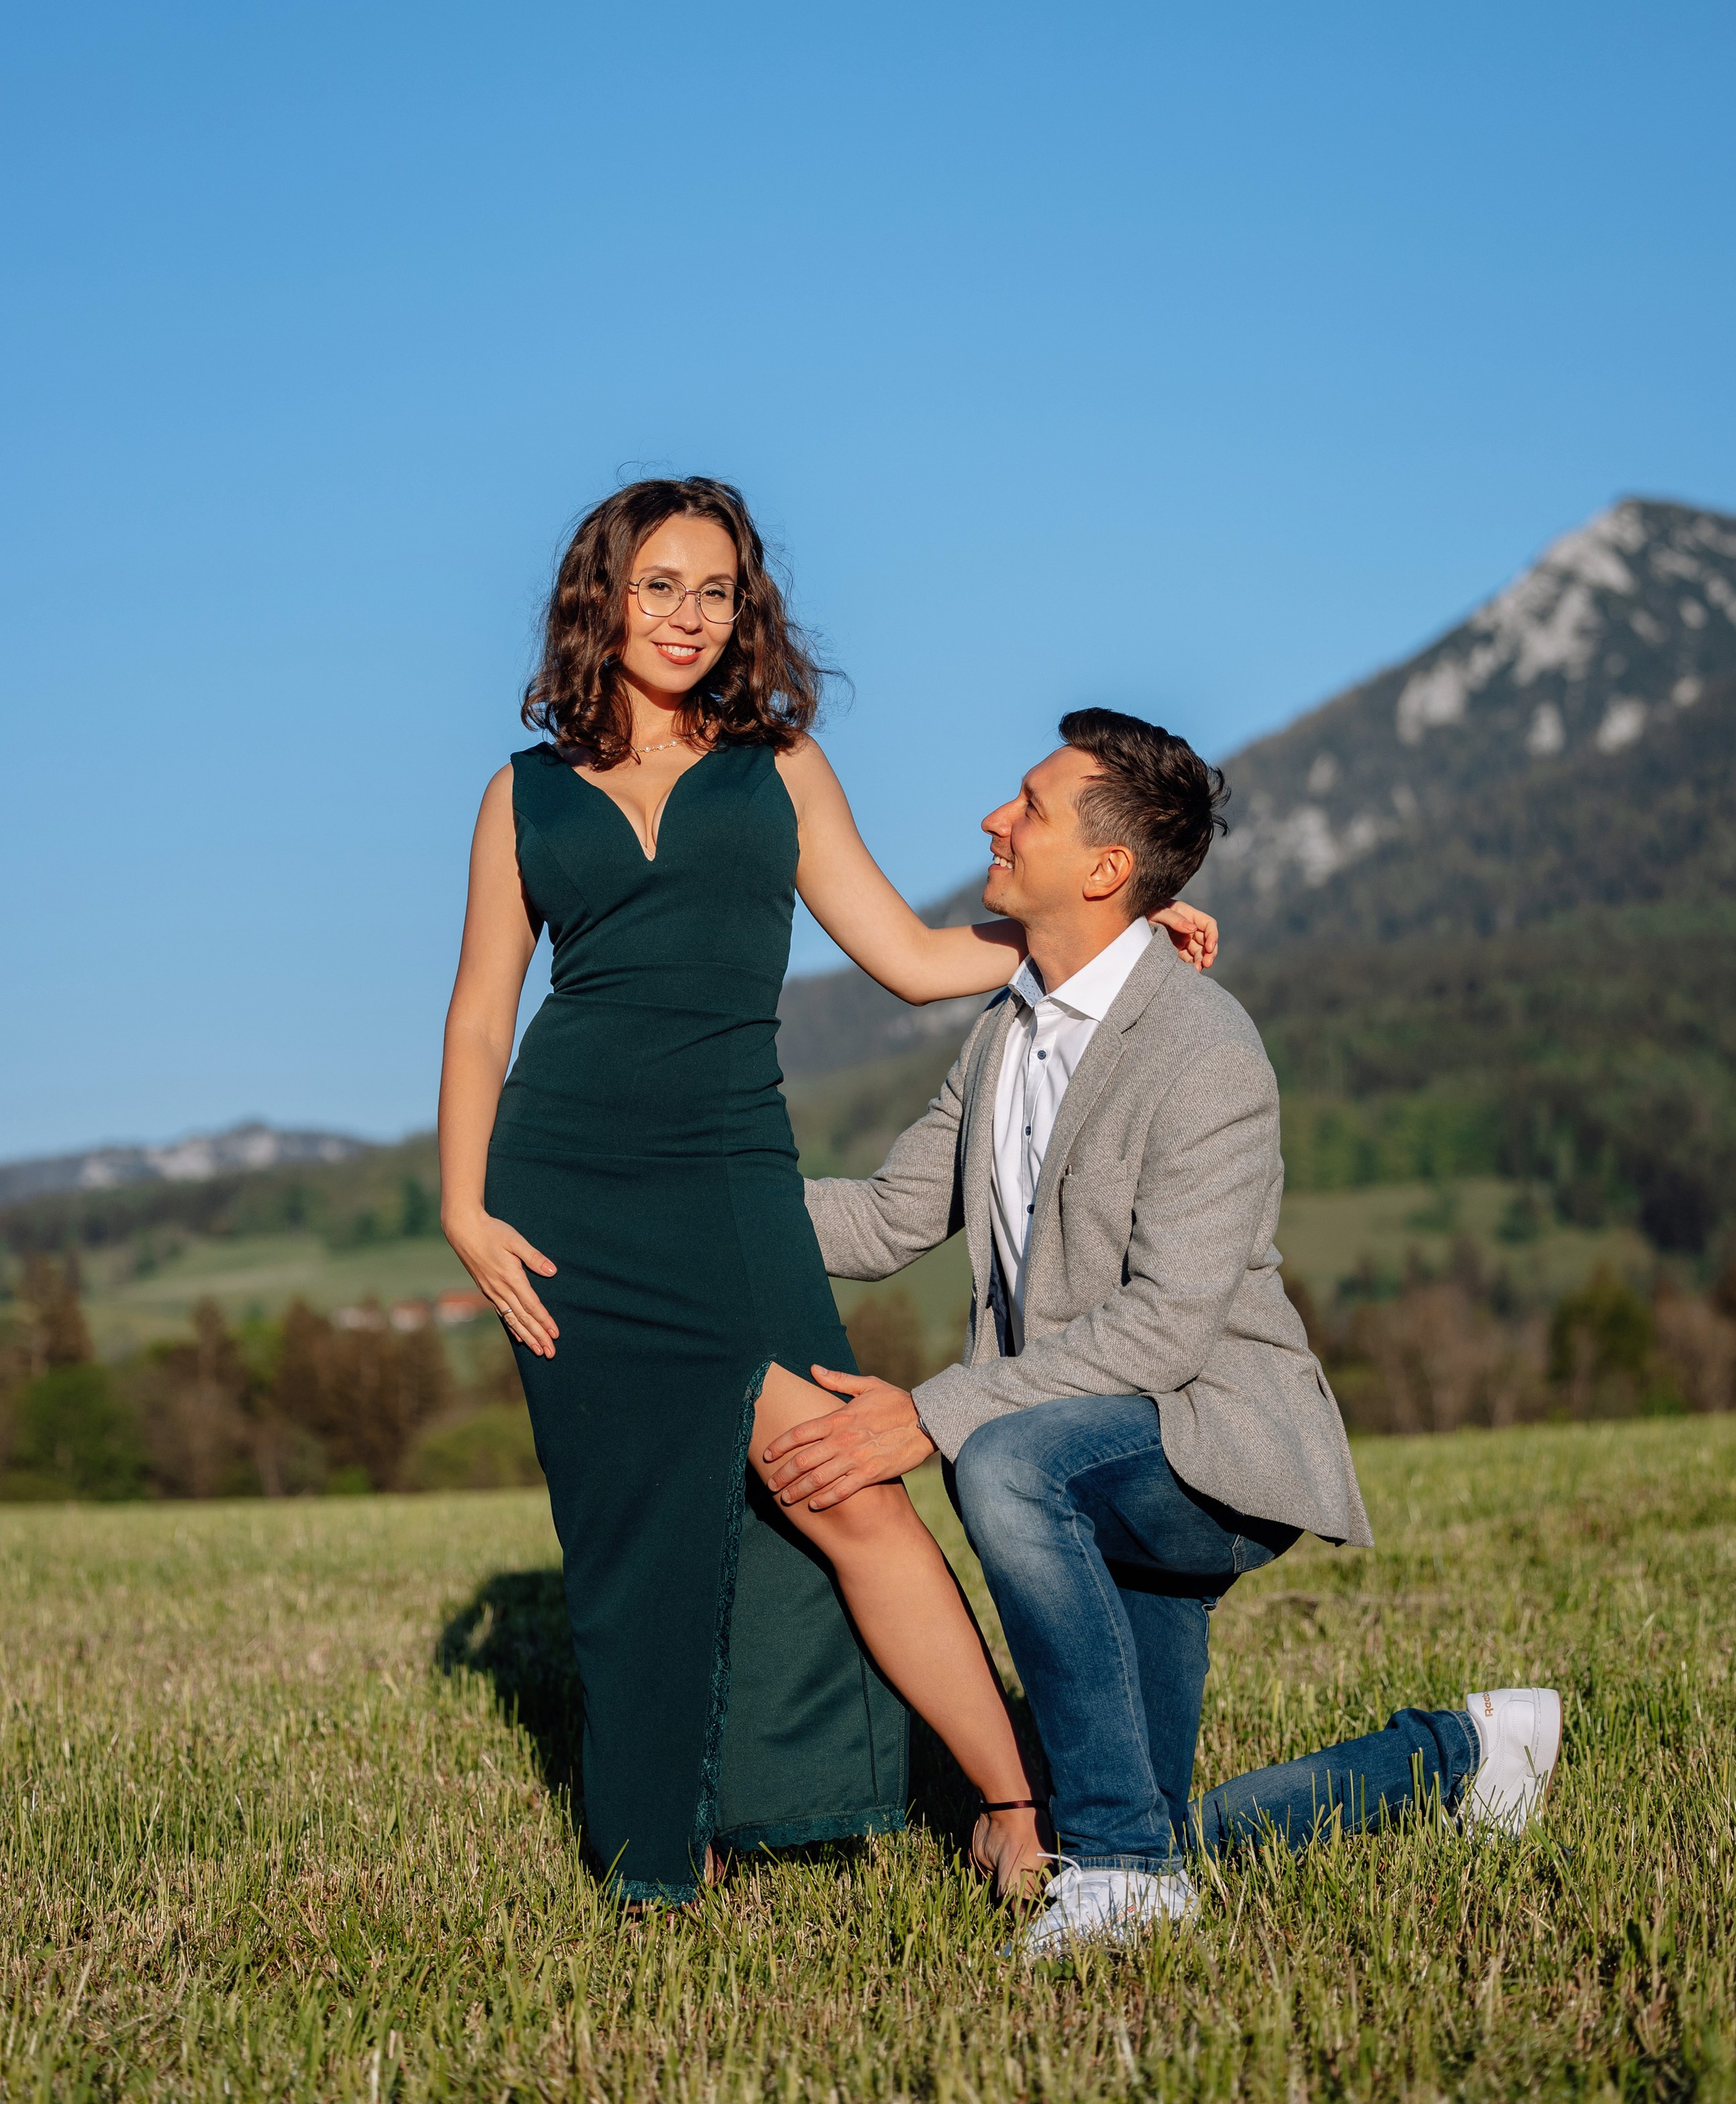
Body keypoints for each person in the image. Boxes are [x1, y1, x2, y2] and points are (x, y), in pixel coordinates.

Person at [437, 480, 1217, 1905]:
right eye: (660, 585)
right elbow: (483, 1014)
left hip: (729, 1186)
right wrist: (461, 1204)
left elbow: (915, 958)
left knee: (845, 1486)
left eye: (716, 590)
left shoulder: (778, 767)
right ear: (598, 599)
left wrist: (1095, 926)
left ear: (745, 612)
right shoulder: (521, 793)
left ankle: (1011, 1804)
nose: (688, 616)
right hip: (565, 1200)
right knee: (634, 1529)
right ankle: (671, 1839)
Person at [764, 708, 1563, 1951]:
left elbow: (1165, 1332)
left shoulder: (1204, 1047)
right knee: (1147, 1815)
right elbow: (878, 1220)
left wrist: (927, 1417)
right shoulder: (1003, 1039)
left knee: (1009, 1460)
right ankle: (1461, 1755)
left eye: (1027, 805)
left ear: (1104, 869)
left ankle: (1122, 1875)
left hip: (1209, 1452)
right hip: (1093, 1449)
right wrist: (693, 1210)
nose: (993, 819)